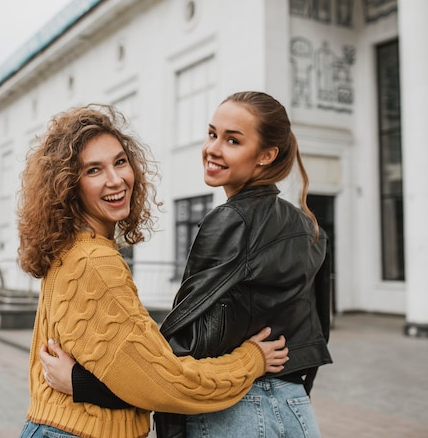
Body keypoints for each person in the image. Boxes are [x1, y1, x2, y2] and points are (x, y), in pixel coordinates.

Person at [41, 92, 333, 437]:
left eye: (233, 140)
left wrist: (85, 384)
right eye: (212, 134)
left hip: (235, 410)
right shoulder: (310, 228)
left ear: (267, 155)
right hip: (296, 409)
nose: (213, 149)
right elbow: (315, 338)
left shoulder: (231, 220)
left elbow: (178, 351)